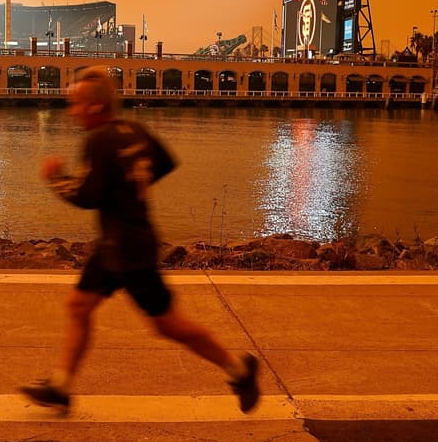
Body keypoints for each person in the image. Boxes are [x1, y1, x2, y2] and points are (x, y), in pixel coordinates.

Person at [20, 67, 261, 414]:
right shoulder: (135, 130)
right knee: (78, 306)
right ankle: (60, 386)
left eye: (75, 105)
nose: (72, 112)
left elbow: (88, 196)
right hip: (116, 244)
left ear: (94, 107)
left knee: (168, 325)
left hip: (129, 250)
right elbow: (164, 162)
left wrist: (55, 177)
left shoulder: (99, 139)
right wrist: (135, 186)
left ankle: (240, 372)